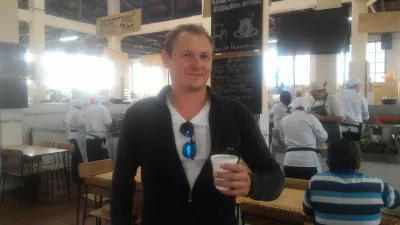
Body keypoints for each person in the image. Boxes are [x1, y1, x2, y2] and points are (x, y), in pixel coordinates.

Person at [111, 24, 285, 225]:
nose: (198, 64)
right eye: (187, 55)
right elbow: (121, 183)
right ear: (166, 58)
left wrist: (252, 184)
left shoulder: (236, 115)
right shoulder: (139, 115)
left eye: (204, 56)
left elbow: (274, 177)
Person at [303, 139, 400, 224]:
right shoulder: (377, 186)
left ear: (327, 163)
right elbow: (396, 202)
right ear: (359, 162)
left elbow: (308, 212)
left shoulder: (315, 182)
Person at [279, 97, 328, 180]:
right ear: (307, 107)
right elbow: (324, 137)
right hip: (308, 160)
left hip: (289, 160)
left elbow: (283, 139)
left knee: (293, 188)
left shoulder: (284, 120)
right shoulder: (311, 118)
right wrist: (314, 143)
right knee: (310, 187)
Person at [84, 97, 112, 162]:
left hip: (89, 139)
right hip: (98, 140)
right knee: (102, 163)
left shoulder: (89, 109)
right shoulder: (103, 108)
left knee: (92, 162)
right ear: (103, 102)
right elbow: (108, 123)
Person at [64, 99, 86, 182]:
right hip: (78, 136)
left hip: (71, 136)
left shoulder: (68, 112)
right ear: (79, 105)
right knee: (79, 157)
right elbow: (81, 124)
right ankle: (80, 177)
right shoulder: (78, 112)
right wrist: (85, 121)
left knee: (74, 156)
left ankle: (74, 176)